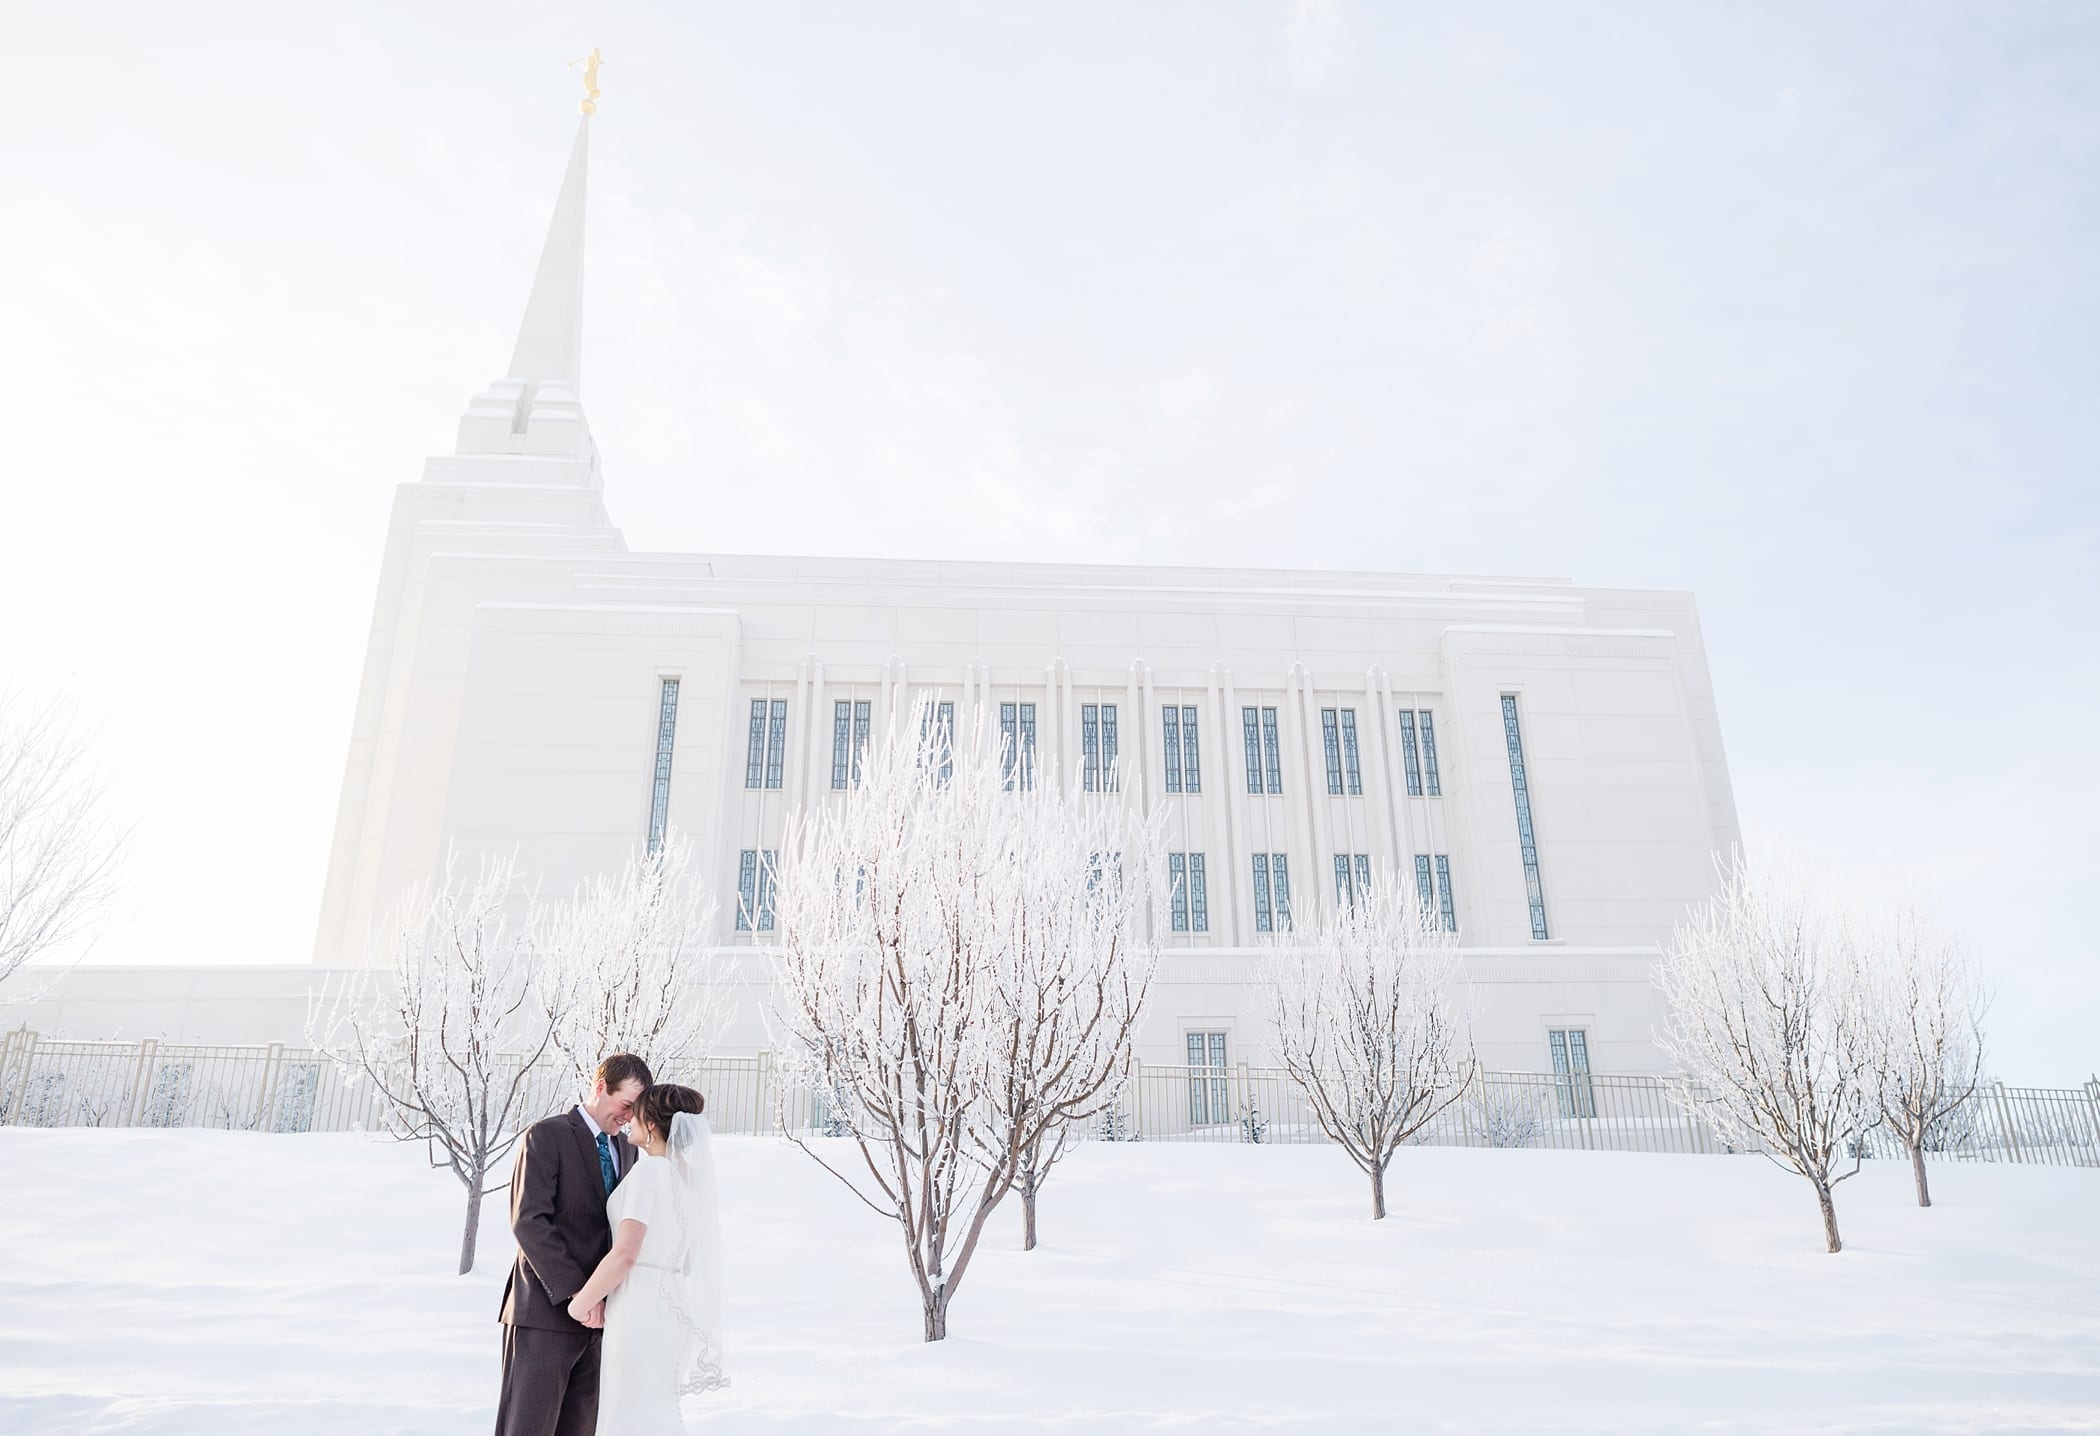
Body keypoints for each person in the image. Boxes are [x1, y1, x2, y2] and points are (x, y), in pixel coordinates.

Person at [495, 1053, 653, 1436]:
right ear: (601, 1088)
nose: (629, 1117)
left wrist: (604, 1299)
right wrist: (578, 1296)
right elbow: (529, 1221)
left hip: (600, 1325)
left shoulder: (628, 1150)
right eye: (625, 1105)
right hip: (544, 1313)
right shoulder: (546, 1135)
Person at [566, 1082, 729, 1431]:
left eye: (636, 1115)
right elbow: (686, 1260)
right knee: (656, 1411)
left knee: (628, 1412)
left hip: (639, 1306)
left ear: (651, 1124)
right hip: (672, 1307)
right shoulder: (690, 1178)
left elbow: (625, 1253)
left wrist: (580, 1305)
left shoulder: (650, 1172)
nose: (629, 1121)